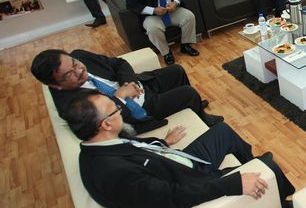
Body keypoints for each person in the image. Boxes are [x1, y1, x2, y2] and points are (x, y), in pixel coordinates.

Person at [63, 90, 295, 208]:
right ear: (105, 124)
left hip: (178, 161)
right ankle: (282, 207)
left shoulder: (101, 145)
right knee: (269, 167)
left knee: (223, 131)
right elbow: (172, 196)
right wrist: (234, 183)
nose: (120, 109)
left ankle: (250, 162)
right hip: (192, 180)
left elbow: (136, 149)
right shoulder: (113, 174)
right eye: (115, 109)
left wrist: (164, 143)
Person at [31, 49, 223, 133]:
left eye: (75, 64)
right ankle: (202, 117)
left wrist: (129, 83)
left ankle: (196, 110)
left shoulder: (80, 55)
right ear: (55, 86)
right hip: (139, 111)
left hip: (138, 86)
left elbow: (118, 63)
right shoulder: (69, 105)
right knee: (188, 93)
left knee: (176, 71)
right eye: (69, 75)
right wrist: (120, 96)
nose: (79, 70)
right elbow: (102, 121)